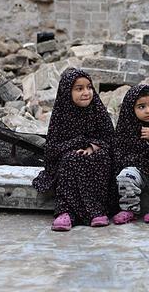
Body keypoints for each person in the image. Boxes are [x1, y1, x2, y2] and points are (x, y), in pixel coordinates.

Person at [32, 68, 117, 232]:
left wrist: (92, 147)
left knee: (103, 157)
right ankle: (65, 212)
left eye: (89, 87)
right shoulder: (61, 115)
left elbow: (109, 138)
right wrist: (77, 145)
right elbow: (51, 149)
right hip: (68, 162)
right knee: (71, 159)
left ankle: (97, 211)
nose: (86, 92)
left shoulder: (97, 111)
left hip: (95, 157)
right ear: (67, 91)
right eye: (79, 89)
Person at [112, 84, 149, 225]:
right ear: (131, 109)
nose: (148, 110)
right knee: (125, 176)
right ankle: (129, 209)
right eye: (141, 107)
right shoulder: (126, 126)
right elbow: (119, 151)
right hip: (136, 168)